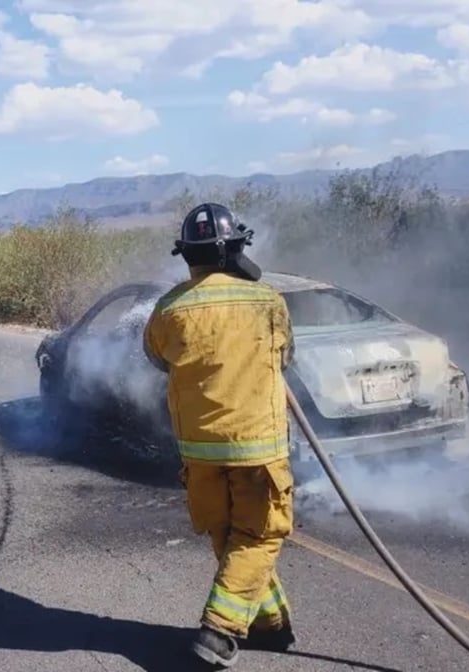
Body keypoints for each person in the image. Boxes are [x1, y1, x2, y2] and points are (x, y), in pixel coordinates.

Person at [142, 203, 296, 668]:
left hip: (199, 452)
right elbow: (285, 356)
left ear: (186, 254)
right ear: (234, 250)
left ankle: (270, 626)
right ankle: (219, 631)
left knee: (230, 534)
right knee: (261, 535)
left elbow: (157, 358)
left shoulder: (169, 307)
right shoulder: (268, 301)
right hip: (257, 446)